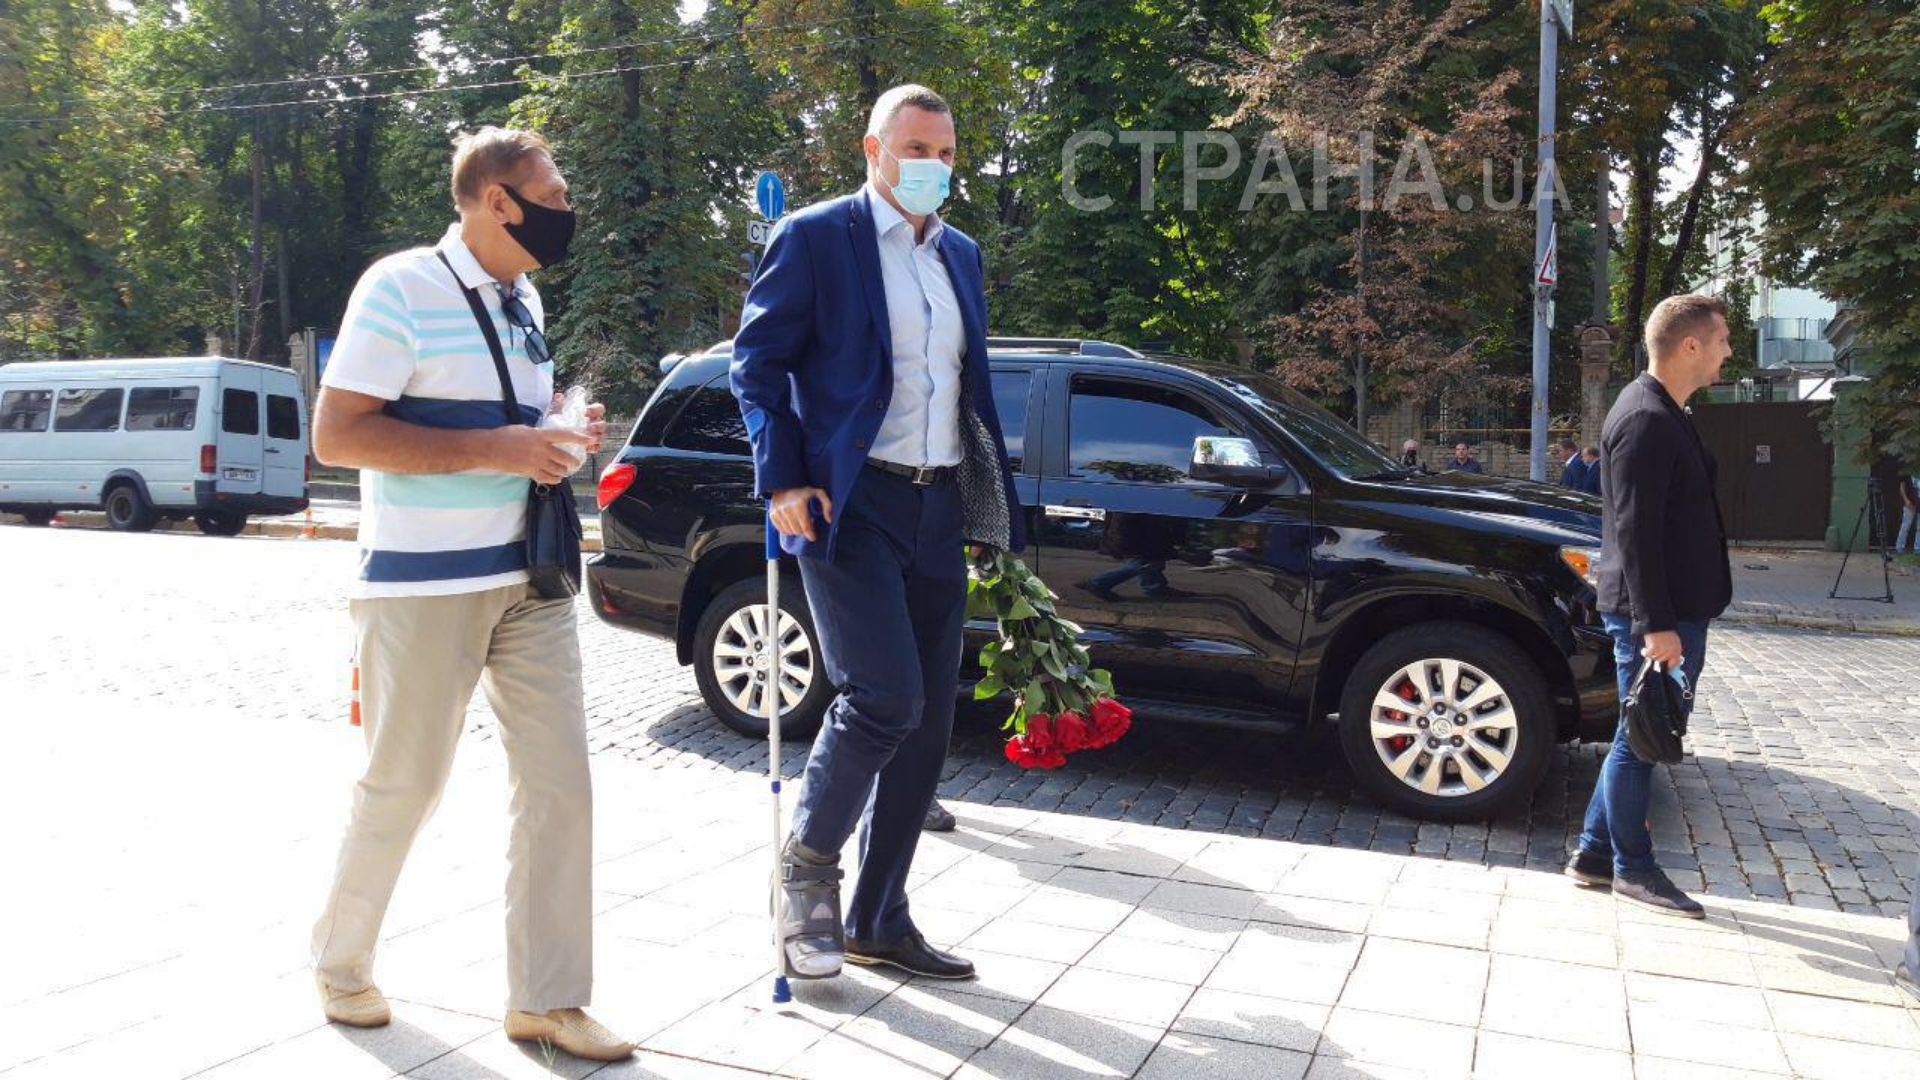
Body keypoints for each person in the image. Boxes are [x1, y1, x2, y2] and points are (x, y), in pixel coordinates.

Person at [308, 128, 632, 1062]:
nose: (567, 211)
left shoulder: (525, 298)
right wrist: (501, 447)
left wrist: (558, 430)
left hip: (530, 578)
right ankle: (340, 962)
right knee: (407, 784)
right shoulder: (399, 286)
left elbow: (507, 426)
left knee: (561, 787)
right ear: (498, 200)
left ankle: (549, 1001)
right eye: (554, 195)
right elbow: (339, 435)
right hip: (423, 584)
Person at [731, 85, 1023, 982]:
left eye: (946, 151)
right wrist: (782, 477)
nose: (933, 165)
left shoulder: (960, 254)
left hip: (940, 507)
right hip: (848, 503)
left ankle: (879, 919)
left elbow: (965, 386)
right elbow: (757, 366)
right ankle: (808, 872)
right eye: (916, 148)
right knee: (883, 698)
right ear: (873, 148)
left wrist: (982, 506)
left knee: (928, 723)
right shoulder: (817, 236)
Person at [1566, 293, 1734, 919]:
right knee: (1643, 739)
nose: (1728, 351)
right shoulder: (1645, 417)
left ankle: (1593, 853)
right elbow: (1634, 534)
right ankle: (1632, 870)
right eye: (1722, 340)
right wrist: (1655, 626)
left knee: (1636, 731)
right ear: (1690, 345)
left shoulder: (1666, 409)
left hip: (1676, 609)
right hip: (1660, 617)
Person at [1898, 472, 1917, 554]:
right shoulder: (1907, 473)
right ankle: (1899, 547)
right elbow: (1902, 488)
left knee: (1919, 528)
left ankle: (1918, 549)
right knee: (1905, 526)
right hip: (1910, 503)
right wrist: (1906, 500)